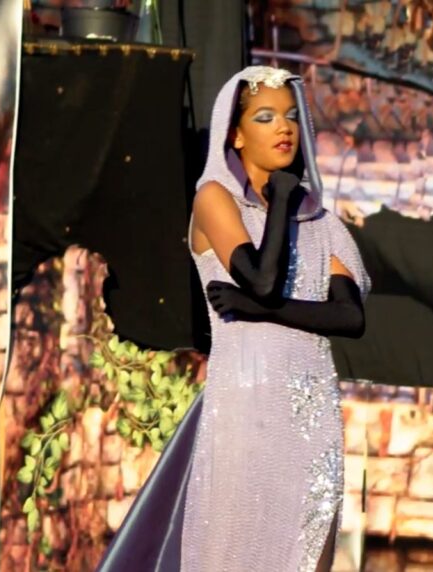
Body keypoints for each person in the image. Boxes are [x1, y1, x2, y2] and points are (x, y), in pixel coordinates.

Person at [97, 65, 371, 571]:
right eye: (265, 117)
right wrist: (283, 202)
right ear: (237, 134)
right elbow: (260, 279)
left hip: (313, 421)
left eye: (291, 115)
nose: (284, 127)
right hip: (247, 411)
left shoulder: (323, 222)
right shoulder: (214, 199)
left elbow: (349, 316)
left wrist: (261, 308)